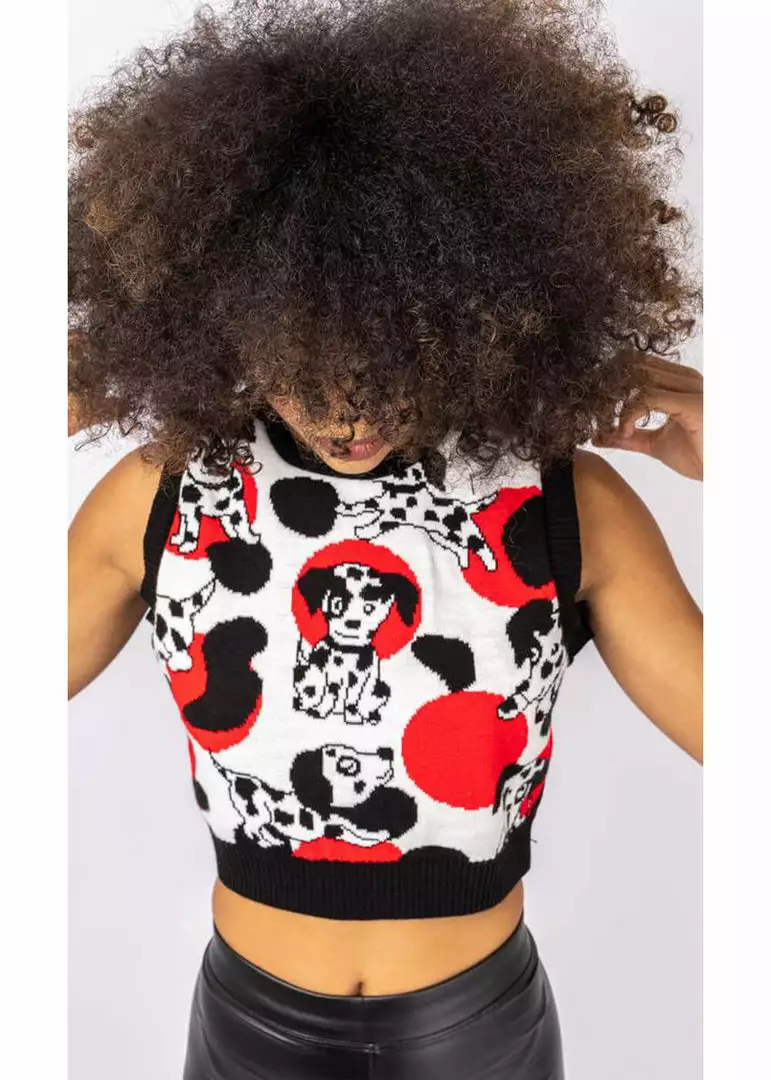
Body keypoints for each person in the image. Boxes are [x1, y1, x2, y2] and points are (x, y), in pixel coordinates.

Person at [67, 1, 702, 1077]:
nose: (348, 410)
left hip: (477, 1033)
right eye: (304, 360)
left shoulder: (561, 503)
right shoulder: (163, 494)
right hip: (248, 1029)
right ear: (225, 316)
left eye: (393, 355)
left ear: (471, 312)